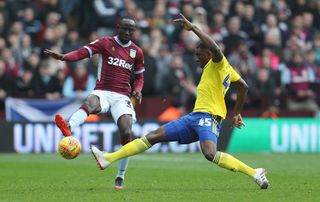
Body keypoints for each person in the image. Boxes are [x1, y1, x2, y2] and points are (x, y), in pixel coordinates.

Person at [91, 14, 270, 189]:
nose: (196, 58)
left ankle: (254, 173)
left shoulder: (218, 63)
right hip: (194, 117)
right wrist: (237, 112)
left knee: (209, 153)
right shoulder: (227, 70)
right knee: (152, 136)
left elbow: (216, 50)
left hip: (209, 117)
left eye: (199, 54)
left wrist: (193, 28)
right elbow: (243, 87)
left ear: (208, 54)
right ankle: (108, 159)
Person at [44, 16, 145, 190]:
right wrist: (64, 58)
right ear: (118, 27)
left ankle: (120, 176)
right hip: (103, 91)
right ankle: (69, 126)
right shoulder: (105, 43)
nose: (128, 32)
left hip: (122, 96)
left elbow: (140, 76)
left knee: (127, 133)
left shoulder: (137, 52)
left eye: (131, 30)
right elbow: (83, 52)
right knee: (90, 102)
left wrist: (138, 89)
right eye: (125, 28)